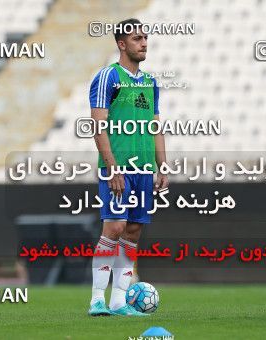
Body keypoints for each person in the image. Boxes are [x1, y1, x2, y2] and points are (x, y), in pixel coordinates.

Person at [87, 18, 168, 316]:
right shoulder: (107, 77)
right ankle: (97, 298)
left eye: (145, 37)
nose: (144, 42)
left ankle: (119, 301)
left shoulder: (150, 82)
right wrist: (111, 168)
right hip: (117, 169)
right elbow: (98, 126)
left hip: (144, 171)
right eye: (137, 38)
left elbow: (156, 126)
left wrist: (163, 167)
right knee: (114, 226)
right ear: (122, 44)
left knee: (132, 232)